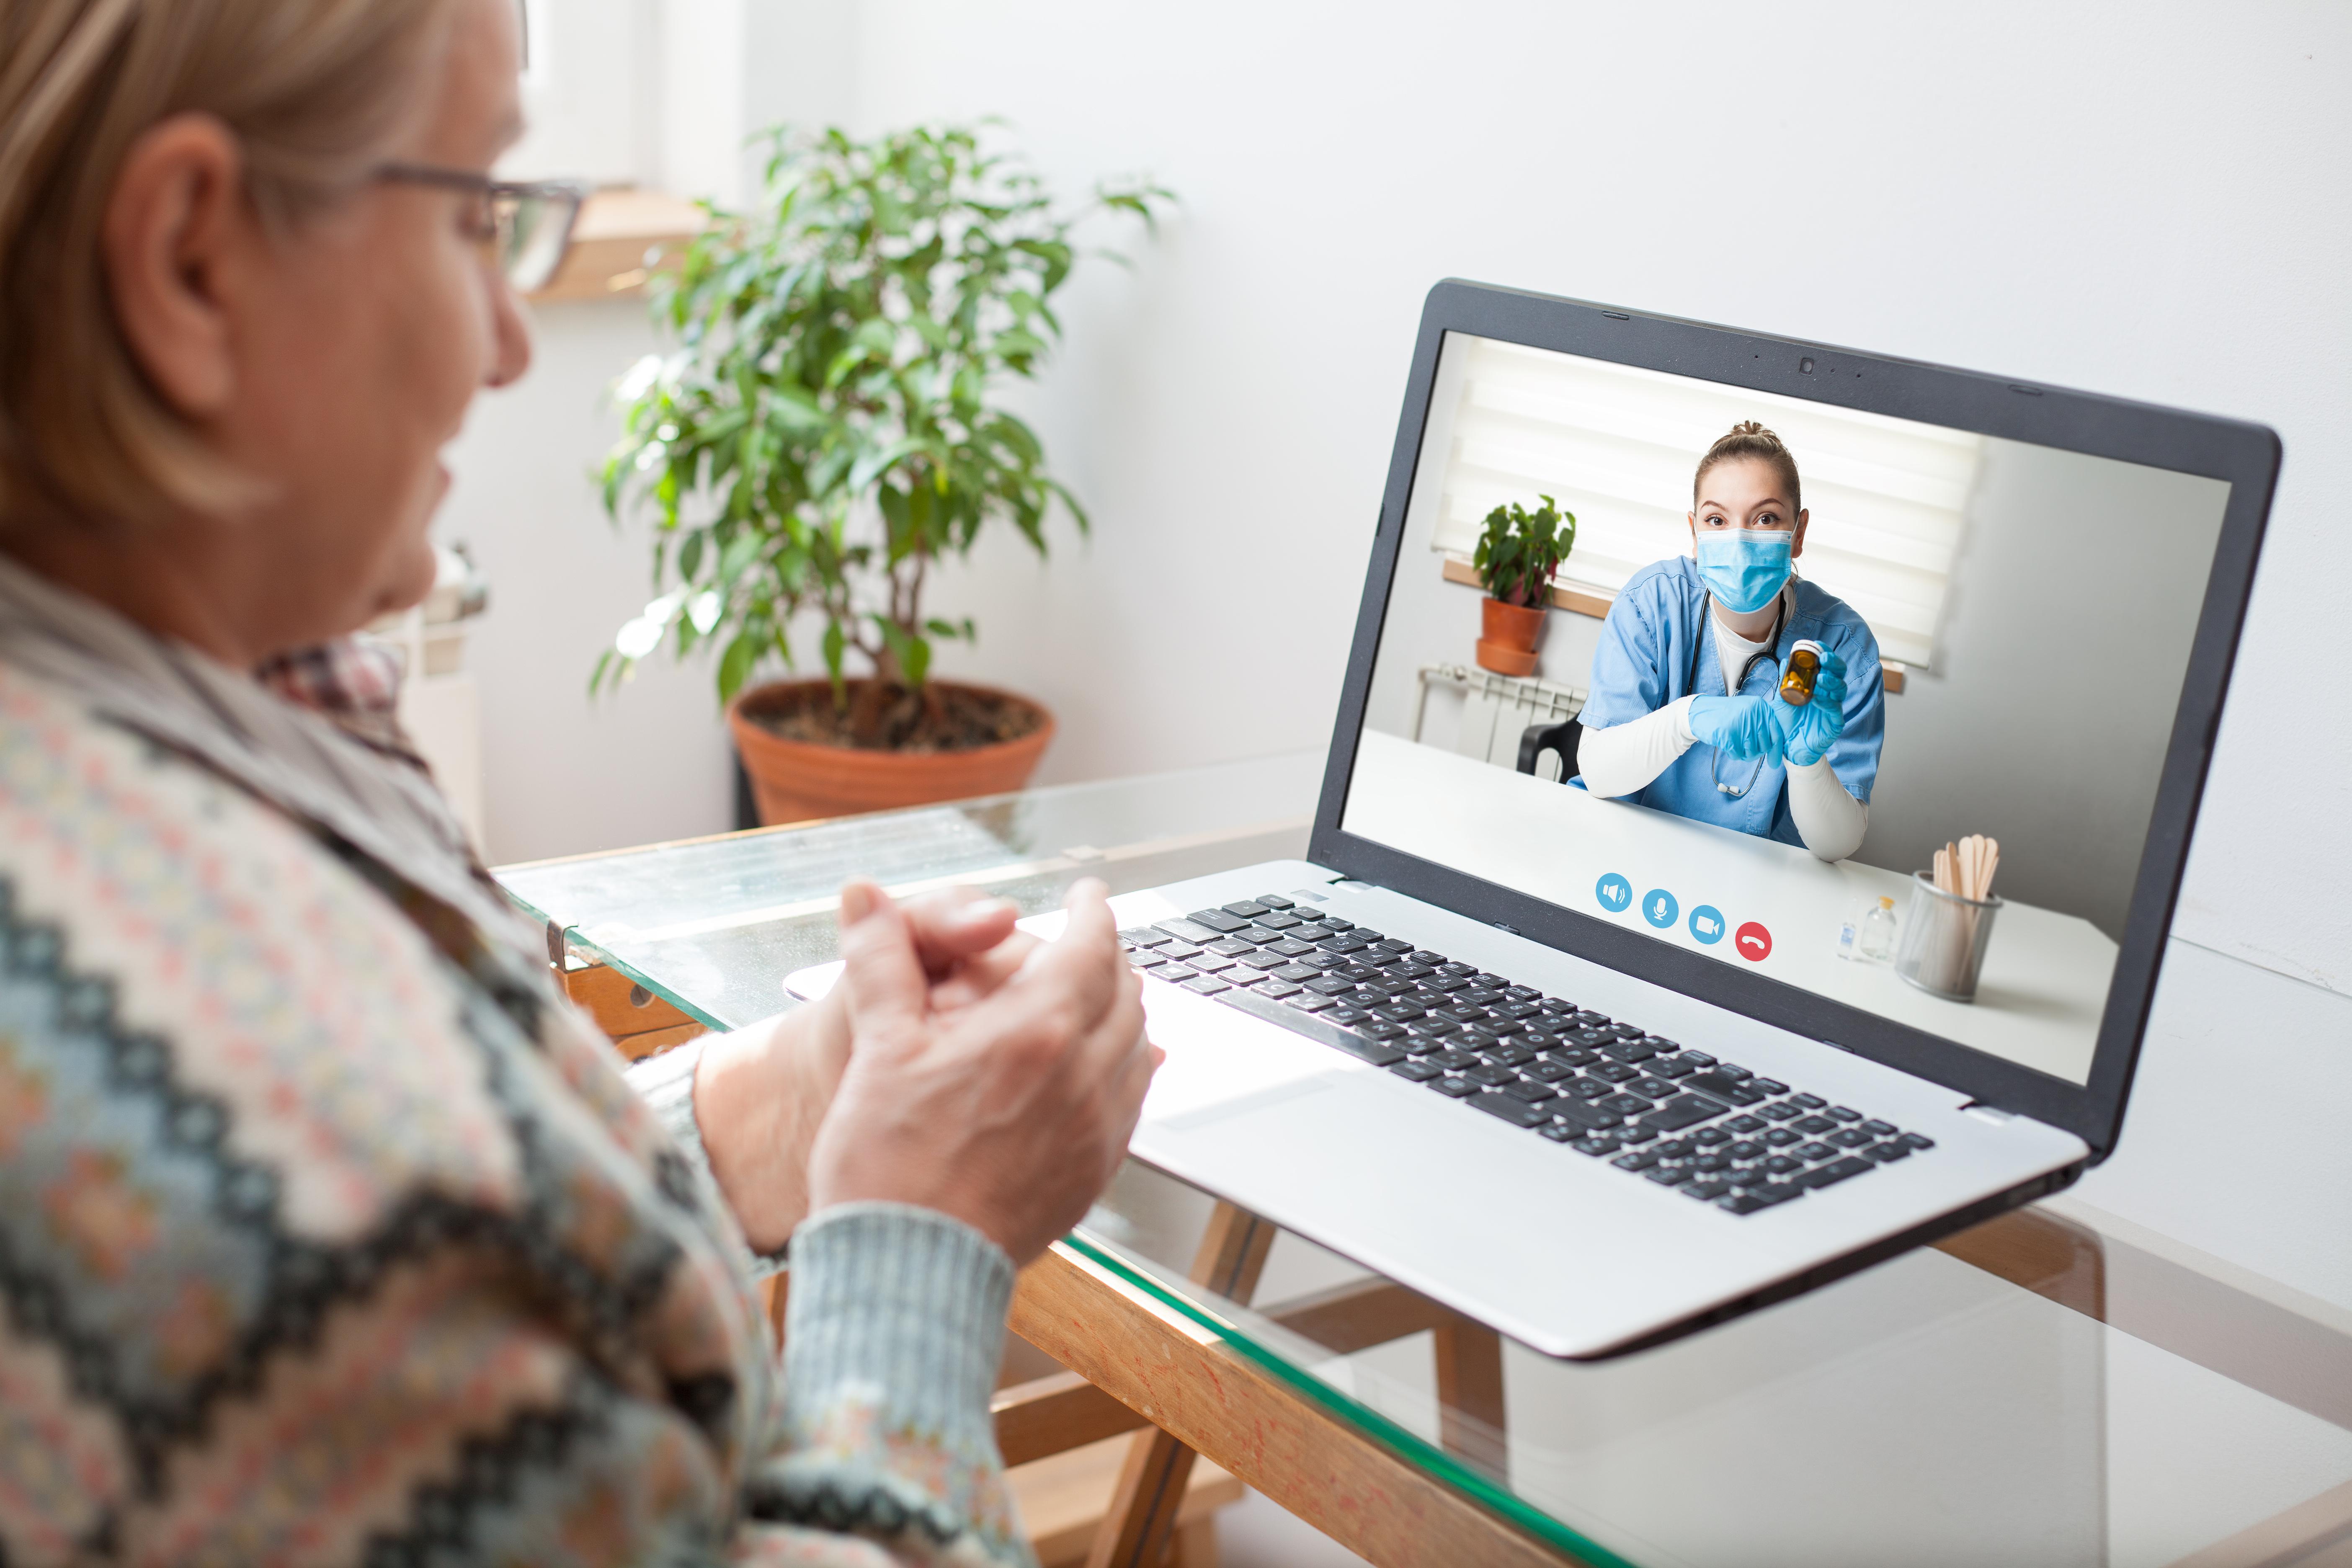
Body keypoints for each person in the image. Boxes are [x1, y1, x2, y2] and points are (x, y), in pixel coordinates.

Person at [0, 0, 1153, 1560]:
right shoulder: (258, 1177)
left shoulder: (207, 694)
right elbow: (408, 1239)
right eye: (474, 214)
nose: (511, 341)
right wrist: (918, 1237)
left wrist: (767, 1114)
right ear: (190, 259)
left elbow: (487, 1234)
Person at [1574, 421, 1885, 862]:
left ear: (1798, 533)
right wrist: (1686, 719)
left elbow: (1837, 845)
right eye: (1717, 520)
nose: (1739, 541)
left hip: (1752, 876)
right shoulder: (1653, 603)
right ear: (1695, 533)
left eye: (1765, 518)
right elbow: (1598, 772)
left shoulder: (1843, 648)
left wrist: (1807, 762)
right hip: (1624, 853)